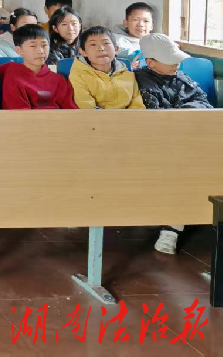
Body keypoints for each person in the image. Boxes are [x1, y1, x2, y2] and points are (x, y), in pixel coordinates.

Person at [132, 34, 212, 254]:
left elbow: (203, 102)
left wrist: (184, 114)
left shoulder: (180, 77)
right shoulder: (140, 81)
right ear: (151, 62)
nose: (176, 63)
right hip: (162, 143)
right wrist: (183, 116)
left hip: (194, 136)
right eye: (170, 60)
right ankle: (172, 228)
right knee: (185, 169)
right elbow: (156, 116)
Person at [0, 24, 78, 109]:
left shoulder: (59, 80)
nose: (40, 51)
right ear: (19, 50)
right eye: (33, 46)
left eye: (44, 45)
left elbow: (71, 110)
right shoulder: (13, 75)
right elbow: (17, 112)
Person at [68, 26, 145, 110]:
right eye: (93, 44)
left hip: (128, 117)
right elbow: (87, 107)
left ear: (116, 49)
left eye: (106, 43)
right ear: (83, 52)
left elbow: (137, 105)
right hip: (95, 118)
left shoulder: (127, 74)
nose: (101, 48)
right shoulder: (78, 75)